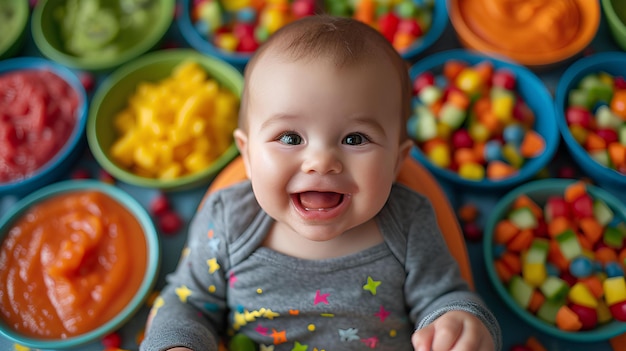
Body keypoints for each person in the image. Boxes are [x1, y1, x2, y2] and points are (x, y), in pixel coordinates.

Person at [140, 15, 501, 351]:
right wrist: (177, 343)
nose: (322, 162)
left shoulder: (408, 223)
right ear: (247, 155)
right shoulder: (228, 223)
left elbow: (444, 296)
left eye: (356, 139)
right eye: (291, 138)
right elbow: (187, 303)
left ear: (396, 162)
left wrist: (460, 321)